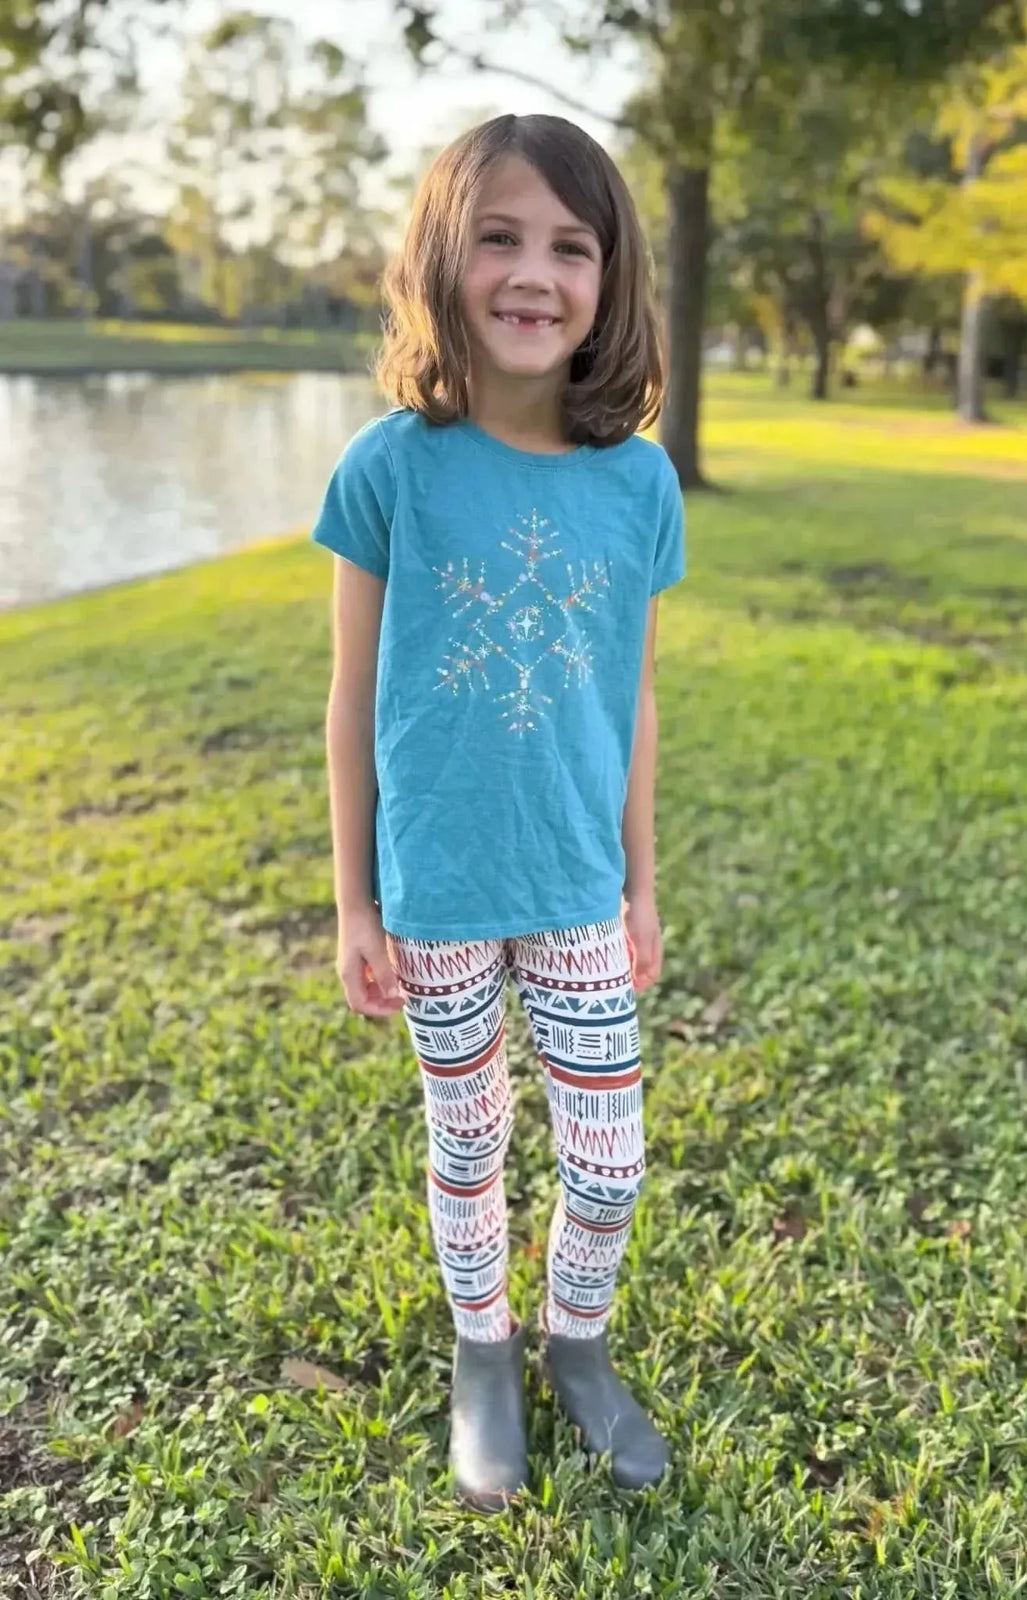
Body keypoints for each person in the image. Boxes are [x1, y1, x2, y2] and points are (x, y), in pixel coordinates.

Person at [310, 112, 686, 1513]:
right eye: (500, 238)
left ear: (609, 279)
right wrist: (354, 901)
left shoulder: (638, 481)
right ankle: (484, 1354)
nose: (534, 274)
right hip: (439, 889)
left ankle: (575, 1344)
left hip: (578, 881)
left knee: (609, 1158)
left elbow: (633, 698)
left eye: (570, 247)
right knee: (467, 1143)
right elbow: (351, 703)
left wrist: (642, 886)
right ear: (441, 258)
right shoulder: (389, 468)